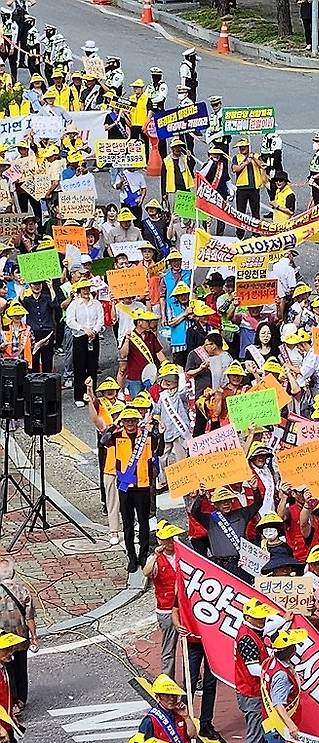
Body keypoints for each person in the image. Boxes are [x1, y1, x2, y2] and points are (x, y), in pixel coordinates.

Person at [101, 405, 163, 573]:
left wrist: (157, 429)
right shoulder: (116, 437)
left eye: (133, 420)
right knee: (128, 524)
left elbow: (160, 449)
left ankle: (143, 555)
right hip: (125, 487)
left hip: (142, 485)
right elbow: (103, 441)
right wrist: (115, 425)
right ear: (123, 421)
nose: (130, 423)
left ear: (137, 421)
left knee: (143, 523)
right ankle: (131, 557)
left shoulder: (147, 436)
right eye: (127, 420)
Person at [232, 597, 278, 743]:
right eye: (258, 618)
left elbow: (276, 622)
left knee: (260, 734)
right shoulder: (248, 639)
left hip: (254, 691)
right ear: (247, 617)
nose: (262, 621)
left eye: (263, 618)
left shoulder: (253, 631)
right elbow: (253, 669)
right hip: (251, 693)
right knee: (256, 736)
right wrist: (275, 673)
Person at [143, 521, 183, 679]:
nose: (170, 542)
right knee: (169, 648)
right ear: (160, 540)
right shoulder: (156, 559)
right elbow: (146, 572)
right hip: (166, 610)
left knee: (192, 647)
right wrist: (155, 555)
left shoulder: (183, 553)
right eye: (166, 539)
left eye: (172, 538)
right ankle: (168, 680)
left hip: (184, 608)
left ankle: (194, 679)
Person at [138, 673, 197, 743]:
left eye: (174, 695)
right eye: (166, 695)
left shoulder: (180, 714)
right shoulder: (150, 721)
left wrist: (186, 717)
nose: (171, 698)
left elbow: (193, 735)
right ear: (158, 697)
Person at [260, 628, 306, 743]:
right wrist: (291, 726)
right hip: (279, 728)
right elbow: (278, 704)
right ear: (288, 650)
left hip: (270, 723)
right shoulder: (281, 675)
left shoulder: (270, 662)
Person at [0, 554, 37, 713]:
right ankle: (22, 699)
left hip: (3, 640)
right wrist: (34, 636)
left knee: (7, 669)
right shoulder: (23, 590)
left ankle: (12, 701)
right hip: (21, 637)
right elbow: (30, 617)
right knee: (21, 667)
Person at [65, 278, 104, 406]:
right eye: (83, 289)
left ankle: (91, 394)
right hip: (80, 337)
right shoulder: (74, 304)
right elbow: (70, 321)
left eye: (88, 288)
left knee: (92, 366)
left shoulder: (96, 304)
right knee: (80, 367)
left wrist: (94, 331)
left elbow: (100, 320)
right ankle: (79, 396)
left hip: (93, 336)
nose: (86, 291)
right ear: (79, 291)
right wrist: (83, 329)